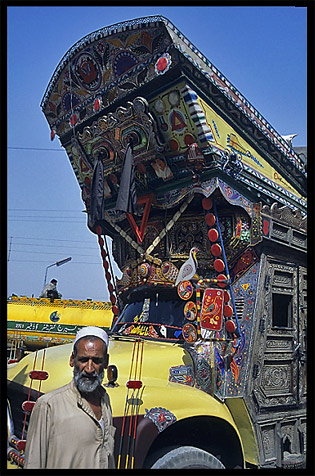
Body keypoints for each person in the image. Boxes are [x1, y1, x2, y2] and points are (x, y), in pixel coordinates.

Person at [23, 326, 116, 469]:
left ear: (106, 362)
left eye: (96, 361)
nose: (89, 368)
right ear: (72, 360)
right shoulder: (49, 405)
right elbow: (34, 463)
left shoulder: (105, 401)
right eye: (83, 360)